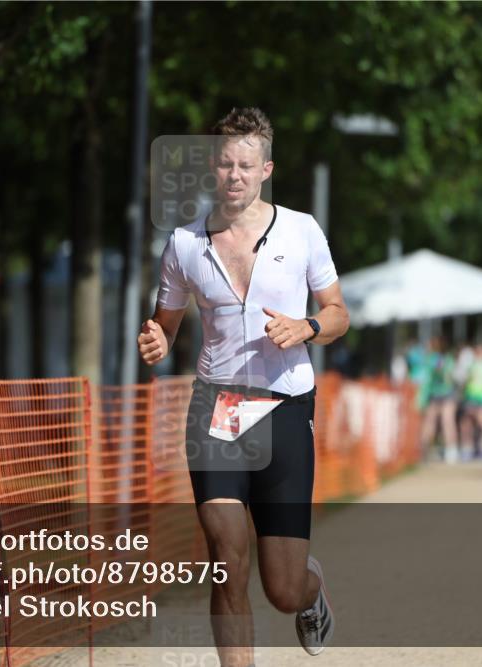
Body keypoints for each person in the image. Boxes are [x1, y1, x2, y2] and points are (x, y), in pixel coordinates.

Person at [138, 107, 349, 665]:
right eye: (226, 163)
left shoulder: (301, 230)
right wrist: (156, 340)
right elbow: (165, 322)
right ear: (213, 167)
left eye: (246, 165)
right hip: (221, 407)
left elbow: (337, 313)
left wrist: (306, 327)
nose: (235, 174)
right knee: (226, 556)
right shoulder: (185, 243)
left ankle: (310, 591)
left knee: (281, 588)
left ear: (265, 169)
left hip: (285, 407)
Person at [419, 336, 458, 464]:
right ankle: (424, 450)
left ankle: (450, 450)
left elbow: (445, 374)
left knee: (446, 422)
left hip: (445, 394)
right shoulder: (434, 360)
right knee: (432, 423)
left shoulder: (440, 359)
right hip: (435, 394)